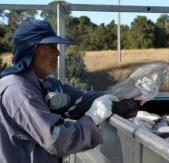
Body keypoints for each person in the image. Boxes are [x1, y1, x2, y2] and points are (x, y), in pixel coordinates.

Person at [0, 19, 119, 163]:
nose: (57, 53)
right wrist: (92, 119)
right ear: (30, 50)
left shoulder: (43, 83)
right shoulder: (18, 90)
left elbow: (81, 98)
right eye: (50, 46)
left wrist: (129, 93)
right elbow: (56, 139)